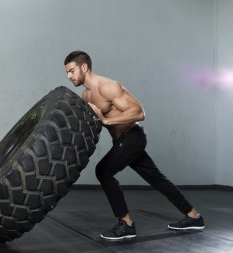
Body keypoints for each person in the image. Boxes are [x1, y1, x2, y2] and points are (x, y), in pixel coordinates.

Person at [63, 50, 205, 240]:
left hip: (133, 136)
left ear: (84, 67)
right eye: (67, 73)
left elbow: (139, 113)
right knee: (157, 179)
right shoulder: (86, 96)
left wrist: (106, 121)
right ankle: (194, 216)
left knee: (103, 171)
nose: (69, 76)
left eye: (72, 71)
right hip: (122, 141)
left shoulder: (108, 87)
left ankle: (126, 224)